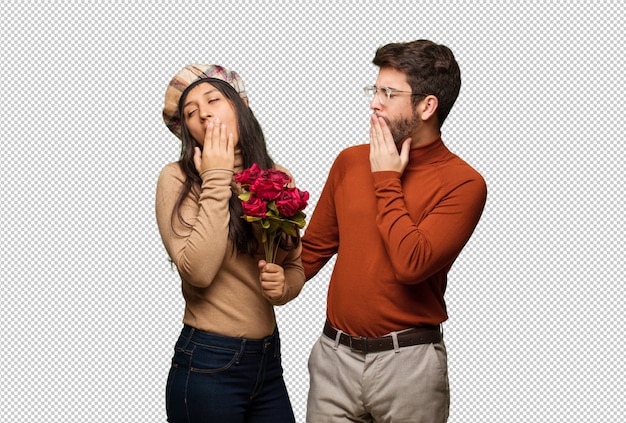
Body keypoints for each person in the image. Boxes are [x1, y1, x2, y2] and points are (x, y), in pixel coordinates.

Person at [301, 40, 487, 422]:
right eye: (375, 90)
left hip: (409, 367)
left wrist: (386, 177)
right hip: (333, 359)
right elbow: (312, 251)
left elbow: (411, 264)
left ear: (427, 106)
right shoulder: (349, 161)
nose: (374, 102)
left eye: (388, 93)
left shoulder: (464, 183)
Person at [156, 64, 304, 422]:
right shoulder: (176, 179)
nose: (203, 112)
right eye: (191, 112)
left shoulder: (277, 176)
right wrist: (217, 175)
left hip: (268, 362)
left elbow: (295, 264)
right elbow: (199, 272)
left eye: (213, 99)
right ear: (187, 130)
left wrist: (284, 287)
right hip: (208, 365)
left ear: (241, 107)